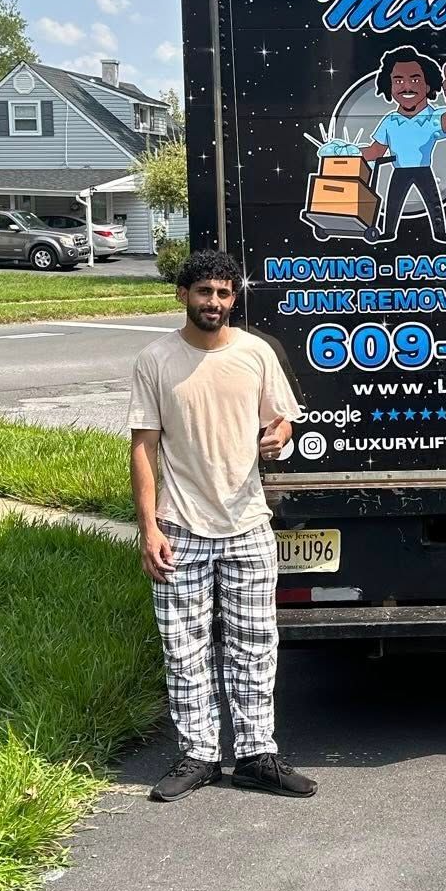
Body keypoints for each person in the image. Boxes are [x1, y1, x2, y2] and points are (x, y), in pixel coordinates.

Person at [129, 248, 317, 803]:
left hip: (247, 523)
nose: (214, 302)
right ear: (183, 295)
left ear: (234, 298)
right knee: (183, 647)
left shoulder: (256, 353)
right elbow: (143, 447)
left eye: (224, 293)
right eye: (204, 292)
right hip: (180, 526)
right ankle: (199, 756)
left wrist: (280, 434)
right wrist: (149, 528)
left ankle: (258, 753)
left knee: (255, 643)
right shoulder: (156, 359)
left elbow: (281, 417)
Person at [360, 45, 446, 244]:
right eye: (398, 80)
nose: (406, 86)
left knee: (433, 204)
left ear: (427, 85)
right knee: (393, 203)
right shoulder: (390, 120)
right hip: (399, 171)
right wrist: (348, 152)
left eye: (415, 79)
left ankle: (439, 232)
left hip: (423, 170)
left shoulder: (433, 117)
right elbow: (375, 150)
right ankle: (389, 232)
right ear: (389, 86)